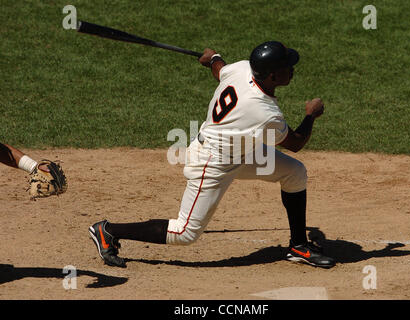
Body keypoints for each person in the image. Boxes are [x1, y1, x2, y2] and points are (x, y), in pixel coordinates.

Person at [88, 41, 336, 268]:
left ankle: (298, 246)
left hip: (241, 151)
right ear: (272, 74)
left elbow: (220, 69)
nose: (292, 69)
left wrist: (214, 57)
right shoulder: (264, 112)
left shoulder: (242, 69)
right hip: (212, 162)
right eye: (287, 66)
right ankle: (108, 230)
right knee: (184, 233)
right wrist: (310, 115)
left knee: (294, 172)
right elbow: (296, 142)